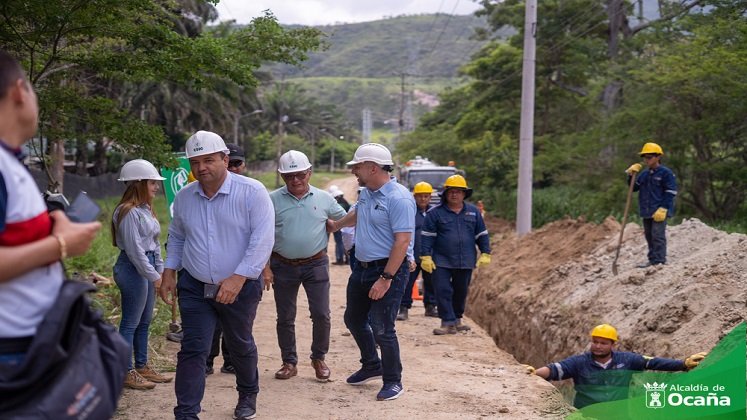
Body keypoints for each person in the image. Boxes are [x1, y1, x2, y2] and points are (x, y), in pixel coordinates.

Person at [160, 130, 274, 420]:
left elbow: (262, 240)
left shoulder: (252, 192)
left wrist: (238, 278)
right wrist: (169, 271)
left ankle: (248, 394)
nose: (201, 168)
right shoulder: (185, 197)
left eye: (209, 160)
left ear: (225, 159)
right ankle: (186, 412)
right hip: (195, 285)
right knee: (193, 349)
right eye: (195, 162)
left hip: (240, 287)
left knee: (239, 345)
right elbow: (177, 236)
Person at [0, 48, 101, 373]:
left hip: (31, 344)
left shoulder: (12, 161)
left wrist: (52, 224)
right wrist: (60, 246)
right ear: (19, 91)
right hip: (12, 354)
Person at [327, 143, 415, 401]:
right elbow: (358, 213)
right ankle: (371, 364)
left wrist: (386, 279)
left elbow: (402, 242)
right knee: (353, 319)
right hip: (361, 267)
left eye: (357, 166)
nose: (354, 171)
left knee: (382, 327)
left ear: (373, 167)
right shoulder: (367, 193)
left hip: (388, 269)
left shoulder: (398, 198)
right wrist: (337, 225)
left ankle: (393, 380)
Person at [262, 150, 346, 382]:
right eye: (289, 176)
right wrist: (265, 268)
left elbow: (344, 219)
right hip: (282, 264)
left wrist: (333, 226)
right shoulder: (271, 200)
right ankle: (289, 362)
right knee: (285, 316)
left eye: (300, 175)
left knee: (321, 314)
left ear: (309, 173)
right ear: (281, 176)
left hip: (315, 263)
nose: (295, 180)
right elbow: (262, 235)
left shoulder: (324, 198)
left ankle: (319, 358)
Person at [522, 324, 707, 409]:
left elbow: (653, 362)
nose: (598, 346)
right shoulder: (579, 362)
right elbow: (555, 369)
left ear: (613, 345)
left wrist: (683, 364)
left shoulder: (627, 360)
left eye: (603, 343)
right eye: (595, 342)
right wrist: (534, 373)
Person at [112, 159, 171, 389]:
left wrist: (160, 270)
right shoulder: (127, 212)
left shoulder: (146, 209)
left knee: (144, 321)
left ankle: (142, 365)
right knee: (130, 322)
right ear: (138, 183)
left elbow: (154, 244)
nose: (156, 187)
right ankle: (125, 371)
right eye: (152, 183)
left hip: (147, 267)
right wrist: (155, 277)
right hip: (132, 268)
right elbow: (136, 252)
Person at [420, 174, 491, 335]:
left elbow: (482, 234)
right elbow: (426, 236)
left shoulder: (473, 212)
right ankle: (447, 322)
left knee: (461, 290)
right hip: (441, 260)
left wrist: (486, 252)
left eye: (458, 191)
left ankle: (457, 319)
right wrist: (425, 256)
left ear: (464, 194)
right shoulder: (435, 213)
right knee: (443, 290)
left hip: (465, 259)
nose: (454, 194)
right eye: (451, 191)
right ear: (445, 193)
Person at [205, 142, 245, 376]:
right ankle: (208, 360)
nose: (234, 168)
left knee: (237, 322)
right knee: (213, 320)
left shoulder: (252, 192)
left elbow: (262, 237)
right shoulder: (205, 192)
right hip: (213, 269)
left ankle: (231, 361)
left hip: (242, 273)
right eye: (231, 164)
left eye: (238, 164)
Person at [625, 142, 677, 268]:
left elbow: (671, 191)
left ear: (658, 157)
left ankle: (659, 261)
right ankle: (652, 260)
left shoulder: (666, 173)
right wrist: (631, 176)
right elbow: (634, 188)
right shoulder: (644, 174)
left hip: (659, 210)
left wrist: (664, 208)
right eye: (644, 157)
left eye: (649, 157)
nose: (646, 160)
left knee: (657, 235)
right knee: (649, 236)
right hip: (646, 210)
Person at [397, 181, 437, 321]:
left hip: (430, 256)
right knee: (408, 282)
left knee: (431, 282)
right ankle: (404, 308)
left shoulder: (435, 213)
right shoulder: (410, 212)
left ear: (430, 197)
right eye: (420, 196)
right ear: (414, 197)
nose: (423, 199)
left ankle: (430, 307)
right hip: (412, 255)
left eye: (426, 196)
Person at [329, 186, 350, 265]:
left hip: (337, 225)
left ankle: (339, 259)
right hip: (346, 225)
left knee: (339, 242)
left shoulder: (337, 205)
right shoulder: (346, 203)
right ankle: (348, 259)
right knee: (345, 242)